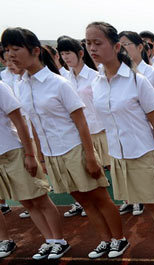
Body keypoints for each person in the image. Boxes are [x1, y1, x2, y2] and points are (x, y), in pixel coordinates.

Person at [6, 27, 129, 260]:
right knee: (82, 200)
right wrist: (38, 155)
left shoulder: (58, 83)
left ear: (35, 51)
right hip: (53, 153)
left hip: (74, 149)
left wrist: (90, 156)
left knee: (99, 197)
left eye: (16, 48)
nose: (10, 55)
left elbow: (81, 122)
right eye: (7, 50)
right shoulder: (21, 85)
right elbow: (33, 123)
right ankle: (105, 240)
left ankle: (119, 239)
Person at [86, 21, 154, 262]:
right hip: (121, 155)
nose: (92, 48)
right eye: (89, 43)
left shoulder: (137, 81)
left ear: (115, 46)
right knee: (151, 203)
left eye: (98, 43)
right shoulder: (97, 83)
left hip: (145, 152)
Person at [0, 72, 66, 259]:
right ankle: (49, 240)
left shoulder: (1, 87)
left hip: (13, 151)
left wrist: (30, 154)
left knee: (38, 198)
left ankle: (59, 240)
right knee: (26, 201)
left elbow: (20, 122)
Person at [57, 35, 110, 219]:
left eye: (68, 53)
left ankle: (131, 200)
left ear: (80, 53)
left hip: (100, 127)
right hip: (81, 133)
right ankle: (88, 203)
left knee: (112, 165)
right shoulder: (64, 79)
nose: (66, 57)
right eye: (62, 54)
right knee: (93, 171)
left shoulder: (95, 76)